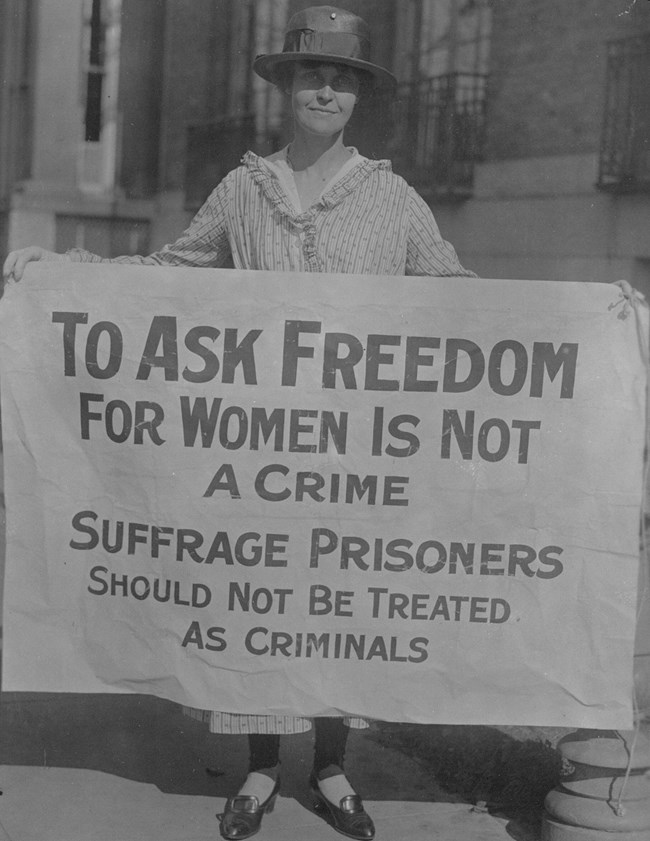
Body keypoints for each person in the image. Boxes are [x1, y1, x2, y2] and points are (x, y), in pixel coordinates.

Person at [3, 6, 476, 840]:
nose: (325, 91)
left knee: (337, 604)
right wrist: (64, 273)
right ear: (287, 88)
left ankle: (331, 767)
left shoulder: (394, 197)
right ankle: (262, 767)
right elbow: (169, 271)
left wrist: (587, 320)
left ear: (358, 96)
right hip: (257, 450)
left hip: (355, 450)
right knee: (264, 600)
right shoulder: (244, 189)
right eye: (310, 76)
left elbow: (458, 294)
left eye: (341, 79)